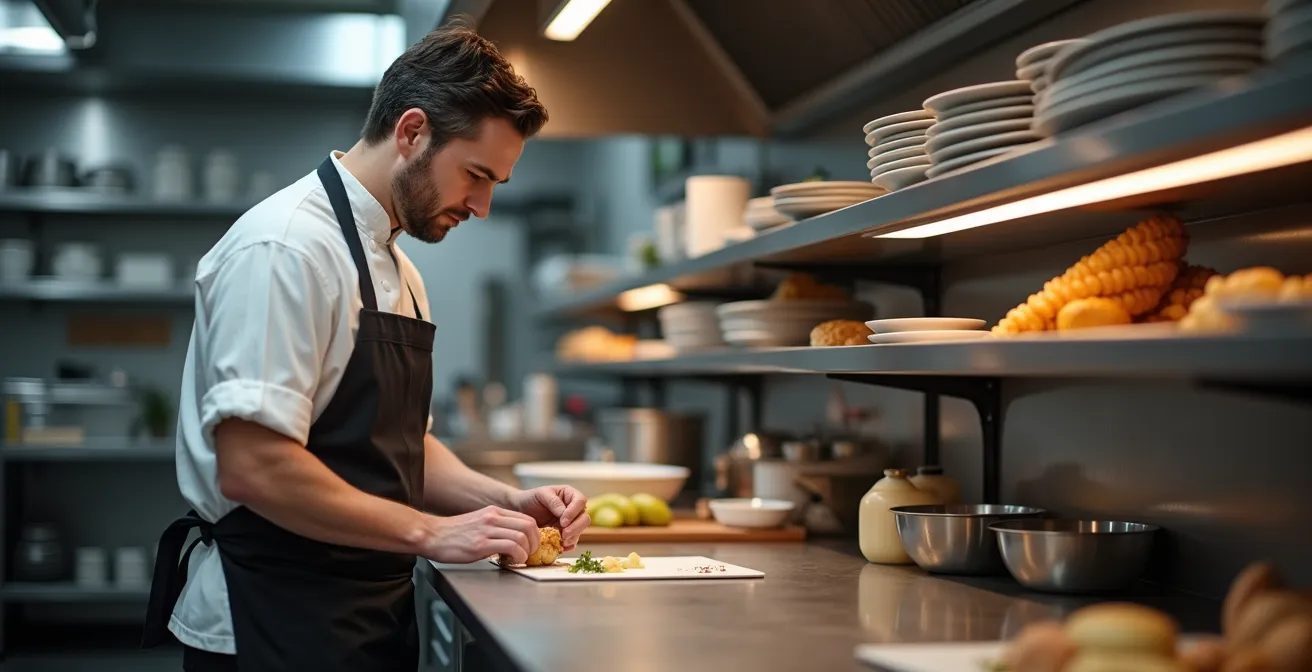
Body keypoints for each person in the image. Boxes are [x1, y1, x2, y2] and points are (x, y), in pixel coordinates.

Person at [141, 25, 590, 672]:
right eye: (475, 174)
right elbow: (253, 467)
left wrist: (502, 502)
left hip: (367, 618)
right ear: (412, 132)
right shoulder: (286, 249)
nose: (484, 206)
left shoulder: (400, 270)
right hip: (271, 618)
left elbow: (402, 448)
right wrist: (432, 531)